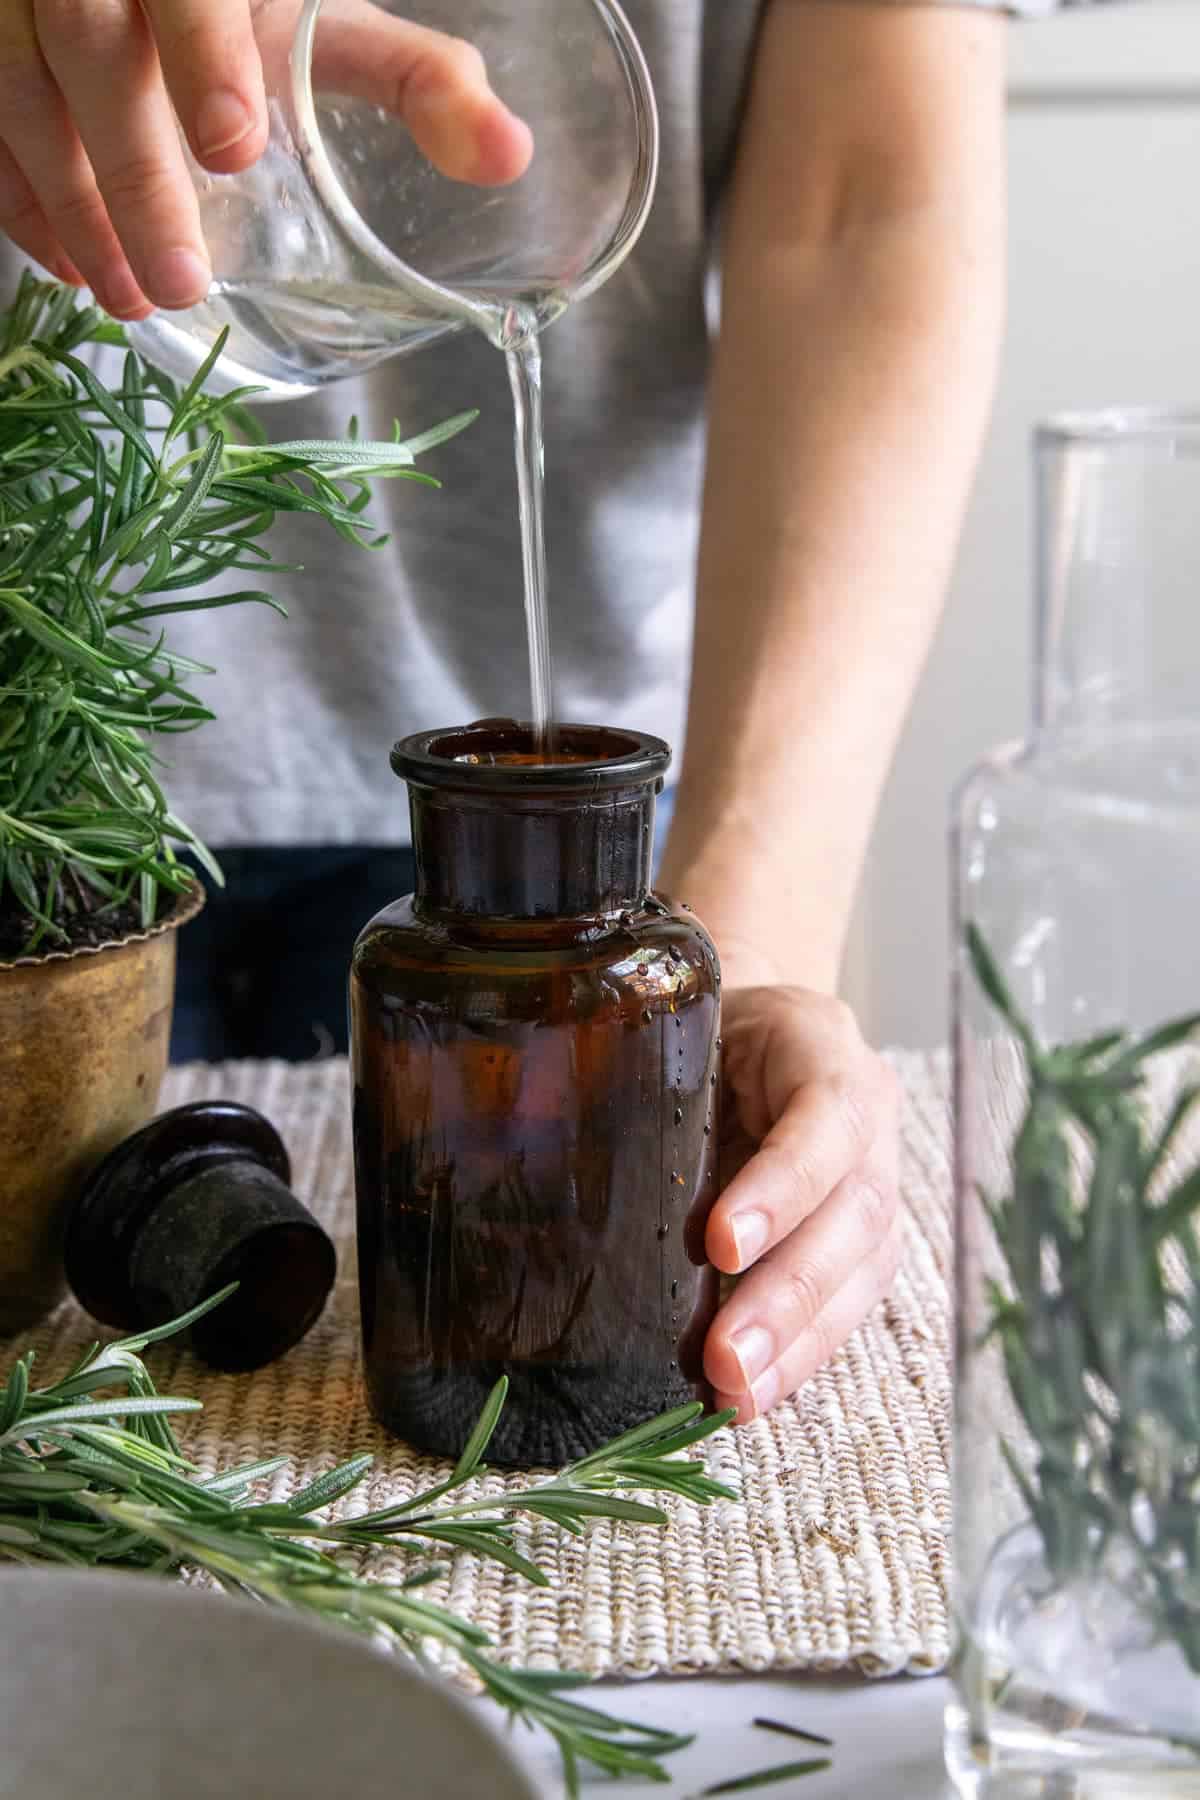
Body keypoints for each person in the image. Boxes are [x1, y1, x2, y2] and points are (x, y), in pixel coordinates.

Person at [0, 0, 1079, 1425]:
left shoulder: (606, 978)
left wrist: (731, 957)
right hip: (44, 824)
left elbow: (860, 212)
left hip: (657, 795)